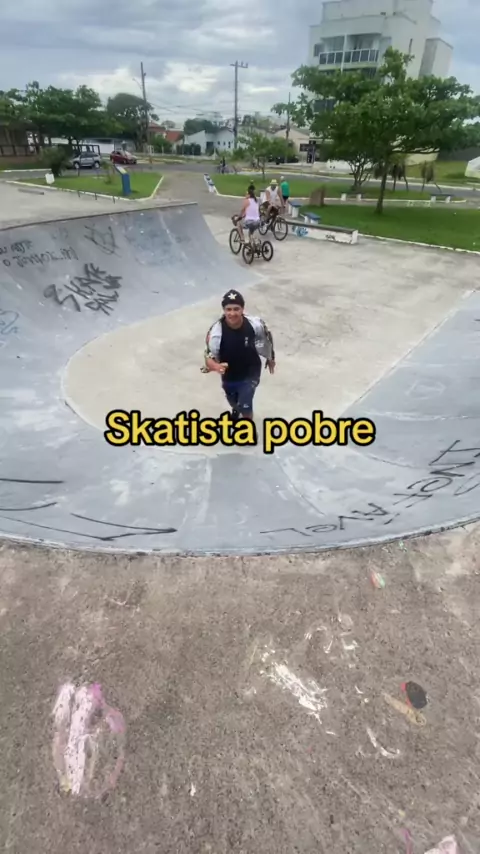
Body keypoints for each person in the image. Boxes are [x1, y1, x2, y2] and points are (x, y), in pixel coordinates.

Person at [202, 290, 275, 421]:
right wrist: (216, 366)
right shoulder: (215, 333)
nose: (232, 313)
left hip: (251, 372)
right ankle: (236, 409)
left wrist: (270, 358)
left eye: (236, 309)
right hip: (229, 375)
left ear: (242, 309)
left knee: (246, 407)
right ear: (224, 310)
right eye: (228, 309)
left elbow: (266, 339)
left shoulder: (255, 325)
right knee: (233, 401)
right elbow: (208, 357)